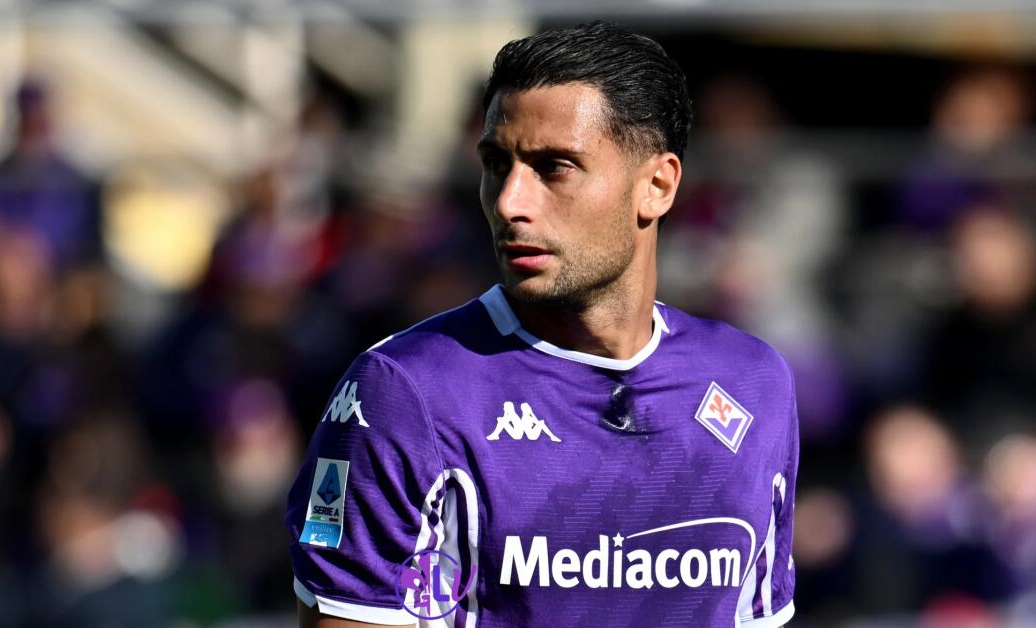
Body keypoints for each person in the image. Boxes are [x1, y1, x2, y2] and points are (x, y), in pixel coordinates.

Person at [285, 21, 798, 627]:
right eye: (497, 164)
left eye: (554, 167)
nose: (510, 202)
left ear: (656, 186)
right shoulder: (404, 390)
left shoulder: (753, 382)